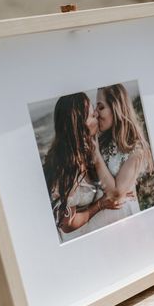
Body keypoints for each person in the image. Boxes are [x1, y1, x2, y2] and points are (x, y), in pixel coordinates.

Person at [42, 92, 119, 241]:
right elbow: (66, 224)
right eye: (92, 115)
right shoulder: (67, 168)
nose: (97, 114)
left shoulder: (89, 147)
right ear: (79, 126)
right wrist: (100, 205)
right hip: (80, 240)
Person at [90, 83, 154, 227]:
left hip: (122, 219)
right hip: (98, 220)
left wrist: (96, 154)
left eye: (101, 107)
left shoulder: (136, 149)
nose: (95, 113)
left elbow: (116, 195)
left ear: (116, 108)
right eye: (95, 108)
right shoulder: (100, 141)